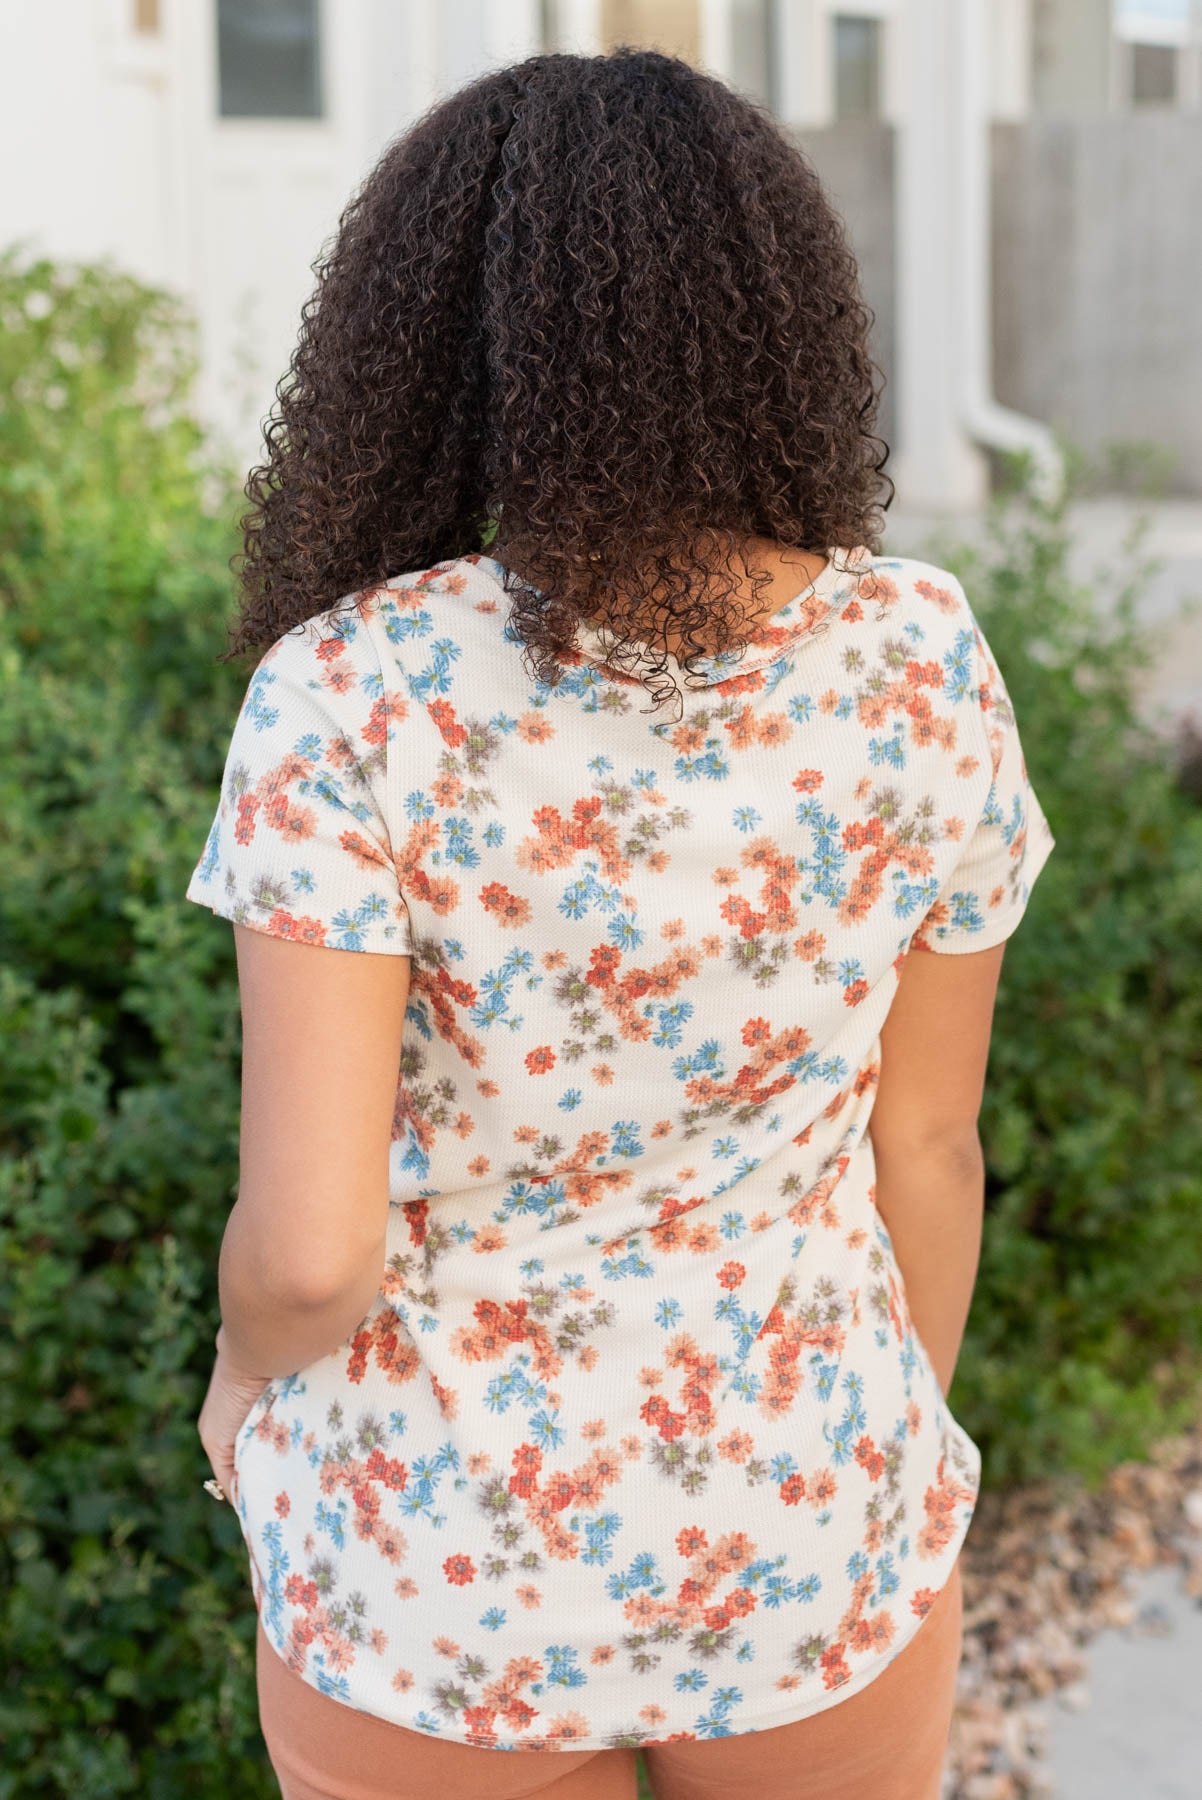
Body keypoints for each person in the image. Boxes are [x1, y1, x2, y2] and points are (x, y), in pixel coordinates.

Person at [188, 44, 1055, 1800]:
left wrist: (233, 1392)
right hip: (810, 1508)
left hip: (440, 1568)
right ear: (782, 322)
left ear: (424, 345)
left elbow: (306, 1253)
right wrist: (869, 1444)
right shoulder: (916, 655)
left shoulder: (354, 691)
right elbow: (932, 1138)